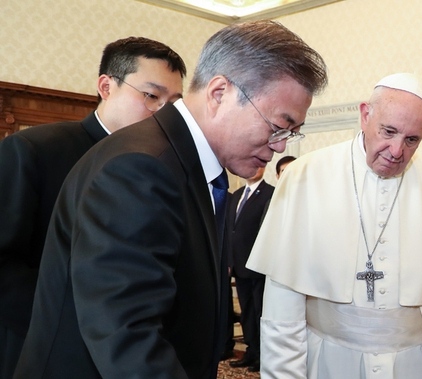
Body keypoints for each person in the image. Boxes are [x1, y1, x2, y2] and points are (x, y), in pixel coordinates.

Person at [13, 20, 327, 379]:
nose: (282, 146)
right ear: (220, 93)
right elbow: (127, 334)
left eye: (292, 132)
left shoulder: (192, 166)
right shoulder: (141, 168)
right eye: (278, 126)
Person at [246, 73, 422, 379]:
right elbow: (282, 313)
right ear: (365, 115)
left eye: (412, 139)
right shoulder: (305, 177)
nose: (397, 151)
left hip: (416, 366)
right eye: (389, 131)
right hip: (328, 363)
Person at [0, 36, 186, 379]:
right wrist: (54, 325)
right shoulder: (33, 150)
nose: (163, 112)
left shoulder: (166, 167)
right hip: (41, 348)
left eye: (173, 103)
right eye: (151, 96)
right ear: (106, 86)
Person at [225, 167, 274, 372]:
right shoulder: (236, 195)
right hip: (238, 264)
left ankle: (263, 357)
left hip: (258, 266)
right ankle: (250, 352)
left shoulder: (270, 193)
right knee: (246, 312)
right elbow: (230, 230)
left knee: (259, 313)